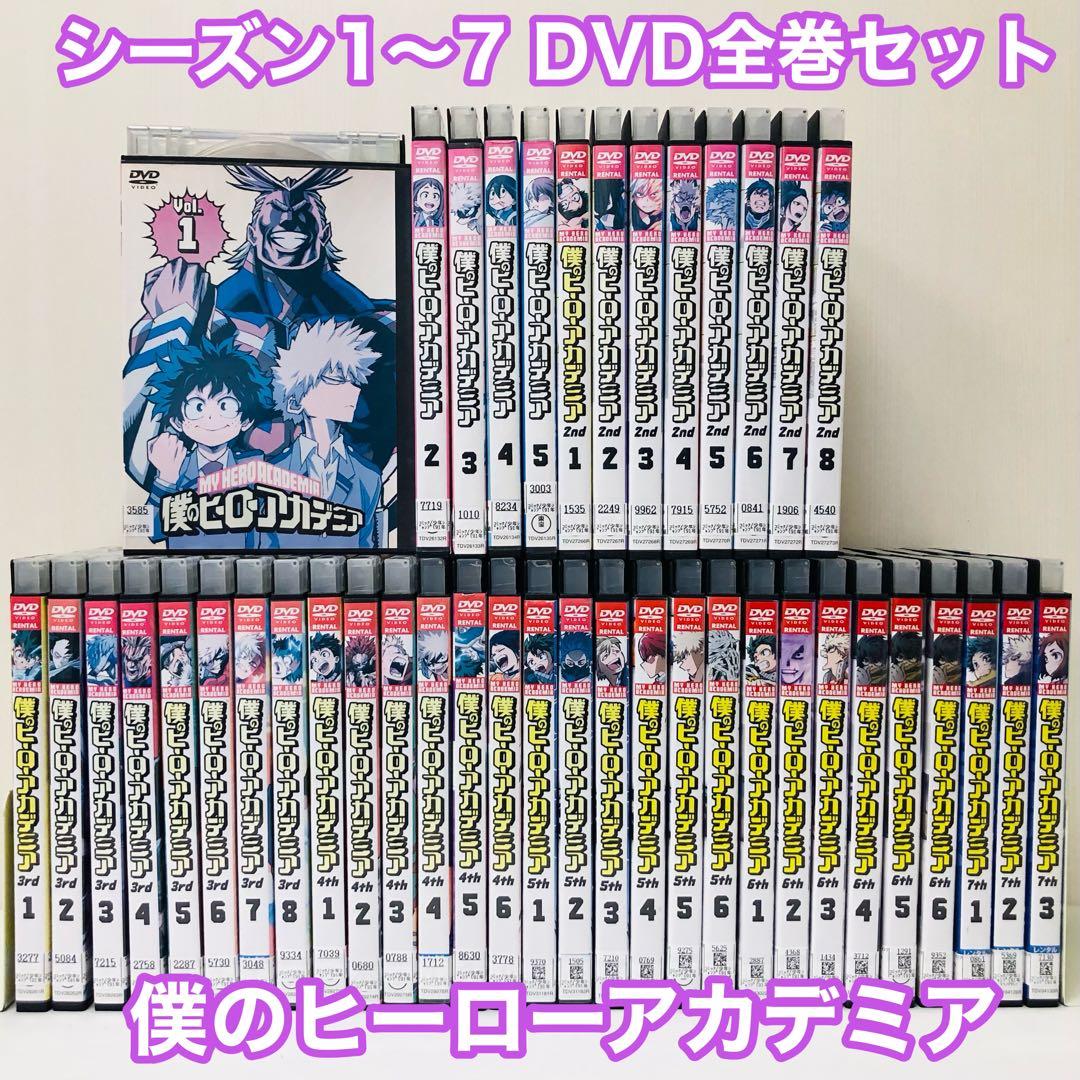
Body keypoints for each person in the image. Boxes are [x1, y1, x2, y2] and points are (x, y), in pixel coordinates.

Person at [269, 320, 384, 547]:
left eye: (354, 382)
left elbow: (367, 547)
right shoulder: (272, 474)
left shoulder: (368, 477)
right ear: (296, 401)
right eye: (336, 380)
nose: (352, 391)